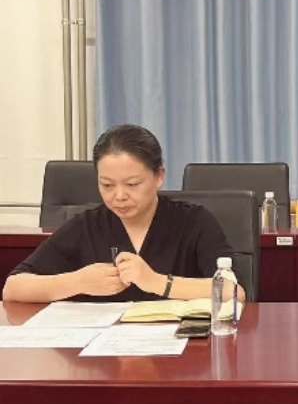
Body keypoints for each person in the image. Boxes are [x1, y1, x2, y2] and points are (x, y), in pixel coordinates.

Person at [3, 124, 245, 303]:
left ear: (159, 176)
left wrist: (157, 282)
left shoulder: (193, 221)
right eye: (107, 185)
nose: (119, 196)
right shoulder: (86, 225)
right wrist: (77, 281)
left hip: (180, 350)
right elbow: (13, 288)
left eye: (132, 184)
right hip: (102, 352)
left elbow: (233, 292)